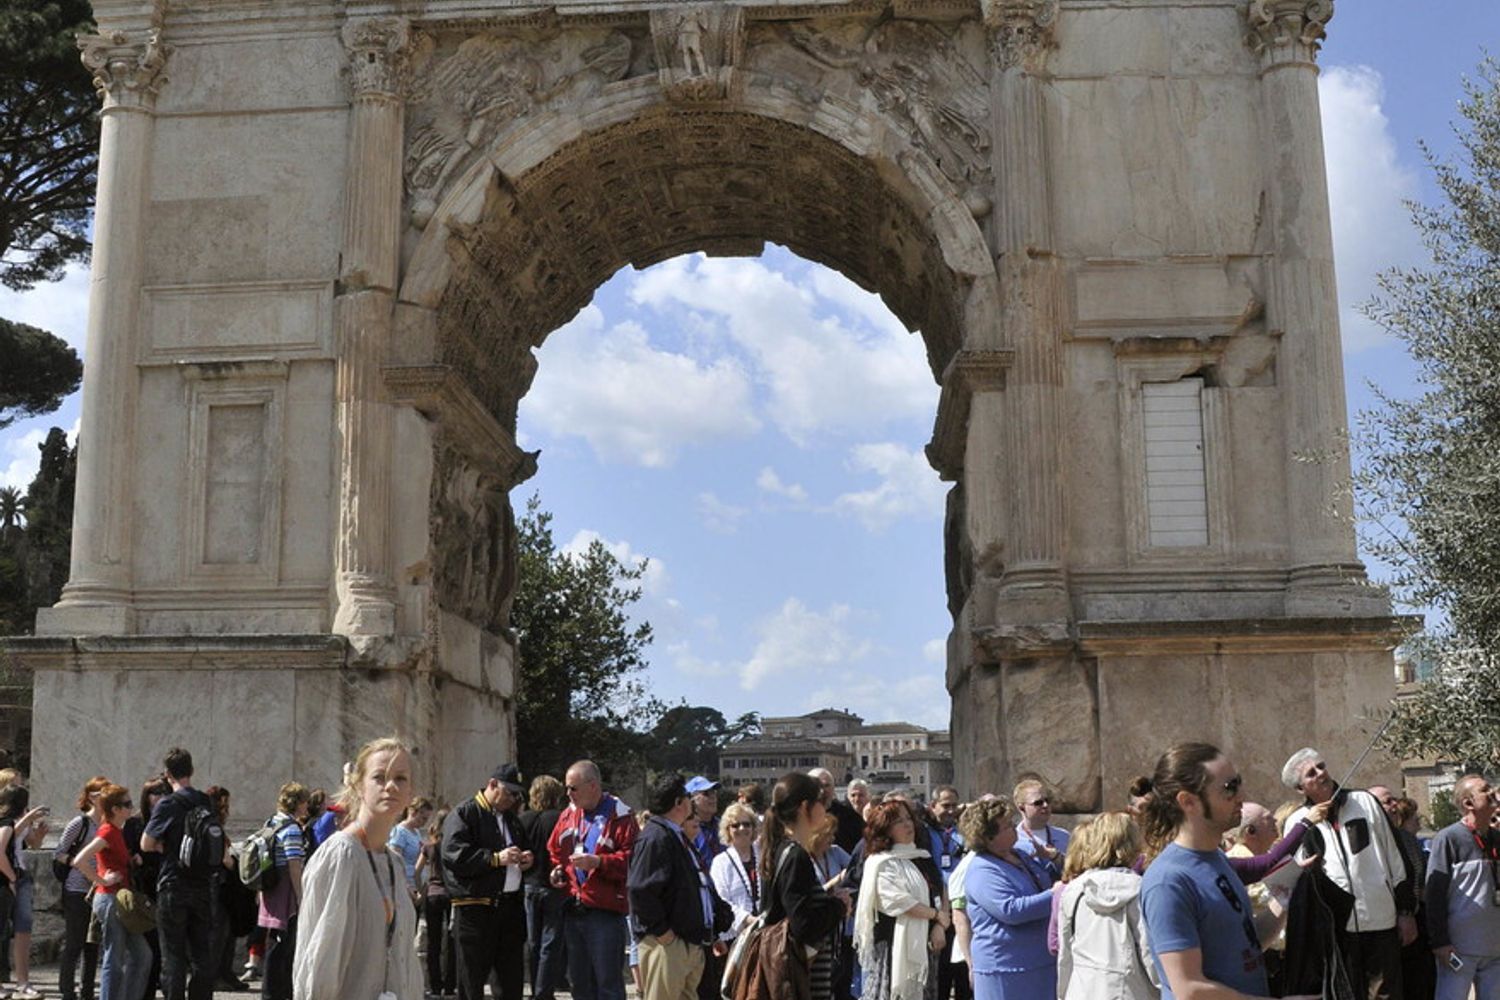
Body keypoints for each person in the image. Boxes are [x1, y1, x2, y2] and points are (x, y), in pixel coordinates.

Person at [1141, 741, 1282, 1000]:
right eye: (1229, 788)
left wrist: (1284, 900)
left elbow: (1245, 946)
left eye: (1238, 782)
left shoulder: (1217, 858)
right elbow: (1189, 989)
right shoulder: (1168, 881)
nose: (1241, 796)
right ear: (1188, 802)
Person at [292, 736, 425, 1000]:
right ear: (359, 786)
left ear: (411, 792)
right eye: (379, 777)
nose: (390, 786)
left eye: (400, 778)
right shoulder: (341, 855)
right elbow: (320, 957)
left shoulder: (394, 862)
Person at [1282, 747, 1415, 1000]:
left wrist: (1405, 911)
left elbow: (1395, 857)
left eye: (1321, 766)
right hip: (1337, 931)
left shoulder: (1364, 801)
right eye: (1311, 773)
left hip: (1381, 920)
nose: (1321, 773)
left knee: (1386, 994)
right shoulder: (1298, 822)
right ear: (1301, 788)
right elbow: (1299, 877)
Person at [629, 774, 733, 1000]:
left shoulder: (675, 835)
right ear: (678, 803)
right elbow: (640, 890)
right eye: (688, 797)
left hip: (688, 943)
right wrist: (663, 932)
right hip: (667, 946)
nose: (692, 802)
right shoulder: (656, 837)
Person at [546, 760, 636, 1000]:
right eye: (567, 788)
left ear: (593, 786)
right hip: (574, 909)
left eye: (573, 788)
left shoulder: (620, 816)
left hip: (605, 912)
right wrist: (557, 870)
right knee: (580, 984)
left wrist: (599, 862)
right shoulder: (568, 814)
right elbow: (555, 849)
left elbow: (632, 861)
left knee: (608, 985)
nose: (568, 794)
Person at [442, 763, 532, 1000]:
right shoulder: (465, 813)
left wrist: (525, 859)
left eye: (517, 794)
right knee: (472, 982)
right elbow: (454, 854)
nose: (514, 799)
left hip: (509, 907)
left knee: (511, 980)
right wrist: (494, 859)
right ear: (493, 785)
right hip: (476, 907)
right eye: (510, 793)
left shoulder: (511, 819)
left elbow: (522, 848)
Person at [760, 772, 851, 1000]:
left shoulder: (778, 849)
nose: (825, 807)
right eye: (819, 801)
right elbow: (803, 923)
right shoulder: (795, 856)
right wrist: (838, 906)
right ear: (804, 807)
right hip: (800, 979)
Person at [140, 747, 218, 1000]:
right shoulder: (205, 801)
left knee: (172, 955)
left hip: (173, 883)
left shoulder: (168, 804)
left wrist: (166, 846)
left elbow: (146, 844)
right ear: (192, 771)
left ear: (167, 774)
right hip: (203, 883)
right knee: (201, 954)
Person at [958, 796, 1055, 1000]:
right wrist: (1056, 895)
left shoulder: (1020, 854)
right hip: (1004, 968)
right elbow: (1010, 910)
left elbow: (1044, 881)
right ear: (988, 837)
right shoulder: (982, 869)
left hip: (1038, 963)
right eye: (1007, 826)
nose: (1014, 828)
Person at [1054, 811, 1158, 1000]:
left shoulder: (1074, 890)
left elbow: (1065, 953)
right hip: (1130, 991)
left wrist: (1063, 993)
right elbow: (1149, 951)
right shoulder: (1139, 890)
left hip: (1082, 990)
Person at [854, 801, 947, 1000]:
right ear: (885, 829)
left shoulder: (922, 857)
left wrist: (940, 924)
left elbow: (940, 889)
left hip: (926, 947)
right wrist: (937, 915)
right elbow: (898, 902)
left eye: (908, 818)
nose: (908, 825)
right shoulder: (881, 863)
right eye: (898, 822)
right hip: (893, 947)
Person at [71, 783, 152, 1000]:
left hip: (120, 900)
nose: (131, 807)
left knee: (142, 955)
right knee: (114, 959)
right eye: (127, 804)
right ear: (115, 809)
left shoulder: (117, 831)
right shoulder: (108, 830)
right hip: (110, 898)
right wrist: (101, 880)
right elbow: (79, 860)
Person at [1425, 774, 1500, 1000]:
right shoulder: (1448, 838)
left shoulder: (1497, 838)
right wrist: (1440, 941)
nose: (1492, 792)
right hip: (1459, 948)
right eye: (1484, 790)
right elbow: (1434, 894)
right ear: (1468, 803)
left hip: (1495, 948)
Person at [256, 781, 310, 1000]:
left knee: (275, 941)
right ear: (296, 803)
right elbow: (294, 865)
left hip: (269, 888)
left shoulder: (271, 822)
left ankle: (277, 991)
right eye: (305, 803)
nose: (307, 808)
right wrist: (302, 896)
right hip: (285, 891)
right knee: (281, 945)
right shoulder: (291, 829)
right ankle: (273, 993)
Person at [56, 776, 107, 1000]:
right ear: (90, 797)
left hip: (97, 890)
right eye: (100, 793)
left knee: (92, 944)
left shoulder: (107, 824)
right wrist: (80, 864)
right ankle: (67, 990)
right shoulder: (80, 823)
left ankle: (87, 990)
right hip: (77, 889)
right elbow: (58, 853)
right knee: (75, 942)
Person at [518, 776, 568, 1000]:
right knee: (550, 941)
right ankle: (543, 991)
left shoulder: (523, 819)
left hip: (528, 884)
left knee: (533, 942)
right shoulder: (559, 819)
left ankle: (534, 987)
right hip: (552, 885)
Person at [205, 785, 252, 993]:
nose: (227, 808)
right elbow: (223, 859)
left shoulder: (212, 825)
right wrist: (236, 861)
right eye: (223, 803)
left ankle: (224, 973)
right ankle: (216, 975)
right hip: (218, 885)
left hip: (221, 887)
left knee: (226, 933)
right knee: (220, 933)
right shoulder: (212, 825)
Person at [127, 775, 171, 999]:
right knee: (149, 950)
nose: (160, 798)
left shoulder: (172, 821)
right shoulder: (136, 823)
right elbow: (130, 854)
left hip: (167, 888)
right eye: (155, 793)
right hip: (144, 893)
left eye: (164, 792)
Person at [924, 787, 967, 1000]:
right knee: (940, 978)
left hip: (962, 909)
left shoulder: (965, 832)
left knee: (963, 979)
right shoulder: (923, 832)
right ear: (933, 806)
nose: (951, 810)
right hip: (937, 911)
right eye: (945, 805)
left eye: (954, 805)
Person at [415, 806, 456, 997]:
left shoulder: (429, 847)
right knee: (452, 941)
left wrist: (421, 888)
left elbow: (416, 871)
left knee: (434, 942)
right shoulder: (453, 846)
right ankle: (450, 986)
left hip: (432, 893)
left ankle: (435, 986)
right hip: (451, 894)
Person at [708, 803, 761, 945]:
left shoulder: (764, 856)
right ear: (727, 830)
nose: (742, 828)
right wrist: (746, 919)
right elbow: (721, 900)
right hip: (735, 938)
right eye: (735, 825)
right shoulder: (720, 862)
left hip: (765, 934)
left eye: (746, 824)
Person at [1010, 779, 1067, 878]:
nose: (1045, 805)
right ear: (1021, 808)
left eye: (1047, 801)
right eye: (1038, 803)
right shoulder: (1012, 841)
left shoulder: (1064, 836)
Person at [390, 797, 432, 907]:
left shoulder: (416, 832)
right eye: (422, 818)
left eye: (426, 819)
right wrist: (407, 886)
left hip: (417, 885)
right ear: (413, 812)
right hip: (406, 887)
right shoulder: (400, 832)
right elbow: (395, 860)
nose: (424, 823)